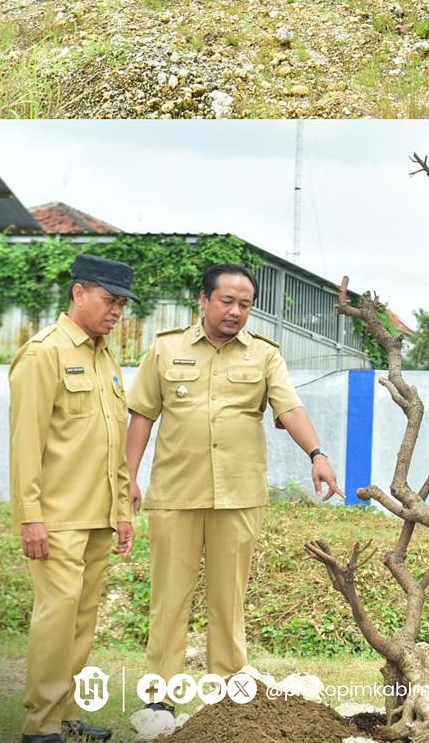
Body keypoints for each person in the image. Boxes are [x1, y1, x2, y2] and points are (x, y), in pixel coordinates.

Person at [126, 264, 343, 708]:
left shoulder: (264, 355)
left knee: (229, 599)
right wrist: (127, 476)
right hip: (176, 492)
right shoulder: (166, 349)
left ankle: (226, 692)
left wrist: (317, 454)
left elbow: (289, 408)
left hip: (238, 495)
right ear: (204, 299)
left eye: (245, 304)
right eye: (227, 301)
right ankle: (160, 694)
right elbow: (142, 414)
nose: (236, 311)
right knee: (169, 597)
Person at [9, 254, 136, 743]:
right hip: (57, 517)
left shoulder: (107, 359)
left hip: (99, 516)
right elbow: (25, 444)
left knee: (83, 619)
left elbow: (116, 443)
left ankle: (67, 712)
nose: (116, 311)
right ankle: (40, 723)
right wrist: (30, 517)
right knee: (57, 617)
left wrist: (122, 511)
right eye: (109, 300)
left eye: (122, 304)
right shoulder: (43, 354)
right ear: (79, 293)